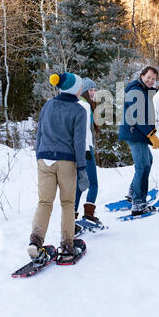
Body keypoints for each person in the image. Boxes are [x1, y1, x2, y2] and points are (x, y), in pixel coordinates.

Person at [28, 72, 89, 264]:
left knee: (44, 202)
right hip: (66, 162)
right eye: (80, 87)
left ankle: (36, 241)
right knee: (67, 203)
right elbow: (79, 143)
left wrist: (39, 155)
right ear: (74, 89)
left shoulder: (48, 105)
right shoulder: (79, 111)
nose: (82, 90)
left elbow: (40, 133)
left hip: (44, 159)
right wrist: (82, 169)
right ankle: (67, 246)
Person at [118, 66, 159, 216]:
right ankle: (138, 204)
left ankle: (132, 193)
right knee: (142, 166)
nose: (150, 80)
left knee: (147, 161)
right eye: (148, 77)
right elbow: (137, 117)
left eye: (153, 79)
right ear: (142, 76)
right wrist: (151, 134)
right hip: (134, 132)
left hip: (138, 133)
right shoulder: (135, 91)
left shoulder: (141, 90)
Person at [75, 77, 102, 231]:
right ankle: (89, 216)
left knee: (79, 185)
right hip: (85, 150)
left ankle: (72, 219)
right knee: (93, 184)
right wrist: (86, 151)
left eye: (94, 90)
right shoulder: (84, 106)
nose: (93, 92)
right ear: (84, 91)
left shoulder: (82, 105)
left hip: (78, 150)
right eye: (91, 90)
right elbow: (83, 132)